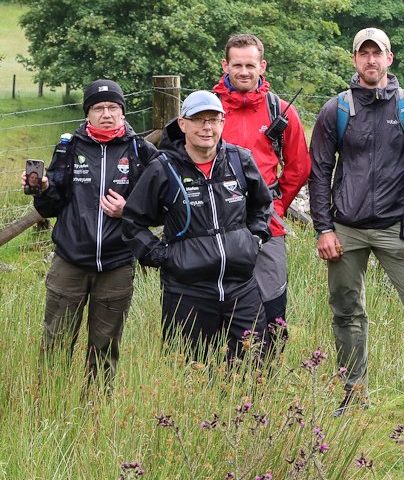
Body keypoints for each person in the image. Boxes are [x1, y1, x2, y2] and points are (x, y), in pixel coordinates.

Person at [307, 27, 404, 415]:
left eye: (377, 53)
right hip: (345, 229)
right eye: (363, 53)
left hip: (396, 229)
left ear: (389, 58)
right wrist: (324, 228)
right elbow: (319, 173)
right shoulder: (336, 110)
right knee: (346, 312)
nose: (371, 60)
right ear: (354, 59)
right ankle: (353, 397)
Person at [123, 90, 274, 362]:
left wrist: (254, 240)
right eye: (199, 119)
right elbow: (133, 221)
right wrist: (162, 256)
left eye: (214, 120)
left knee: (253, 368)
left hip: (242, 289)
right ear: (183, 124)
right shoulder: (163, 169)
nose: (207, 127)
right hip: (187, 292)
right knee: (190, 370)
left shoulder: (239, 161)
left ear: (222, 123)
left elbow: (262, 205)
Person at [29, 80, 156, 385]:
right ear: (87, 113)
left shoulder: (140, 150)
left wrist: (129, 210)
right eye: (98, 108)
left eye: (113, 107)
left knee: (105, 348)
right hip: (70, 261)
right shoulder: (69, 147)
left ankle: (95, 405)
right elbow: (50, 206)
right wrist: (43, 188)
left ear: (123, 112)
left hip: (117, 263)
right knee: (56, 343)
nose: (106, 114)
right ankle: (51, 399)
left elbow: (161, 203)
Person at [214, 33, 311, 358]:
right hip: (217, 222)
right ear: (225, 65)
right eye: (237, 65)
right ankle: (220, 372)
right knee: (218, 299)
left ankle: (268, 372)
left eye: (250, 65)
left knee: (272, 298)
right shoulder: (209, 110)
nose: (244, 71)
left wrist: (276, 205)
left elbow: (299, 166)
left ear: (262, 66)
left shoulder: (279, 111)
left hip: (267, 224)